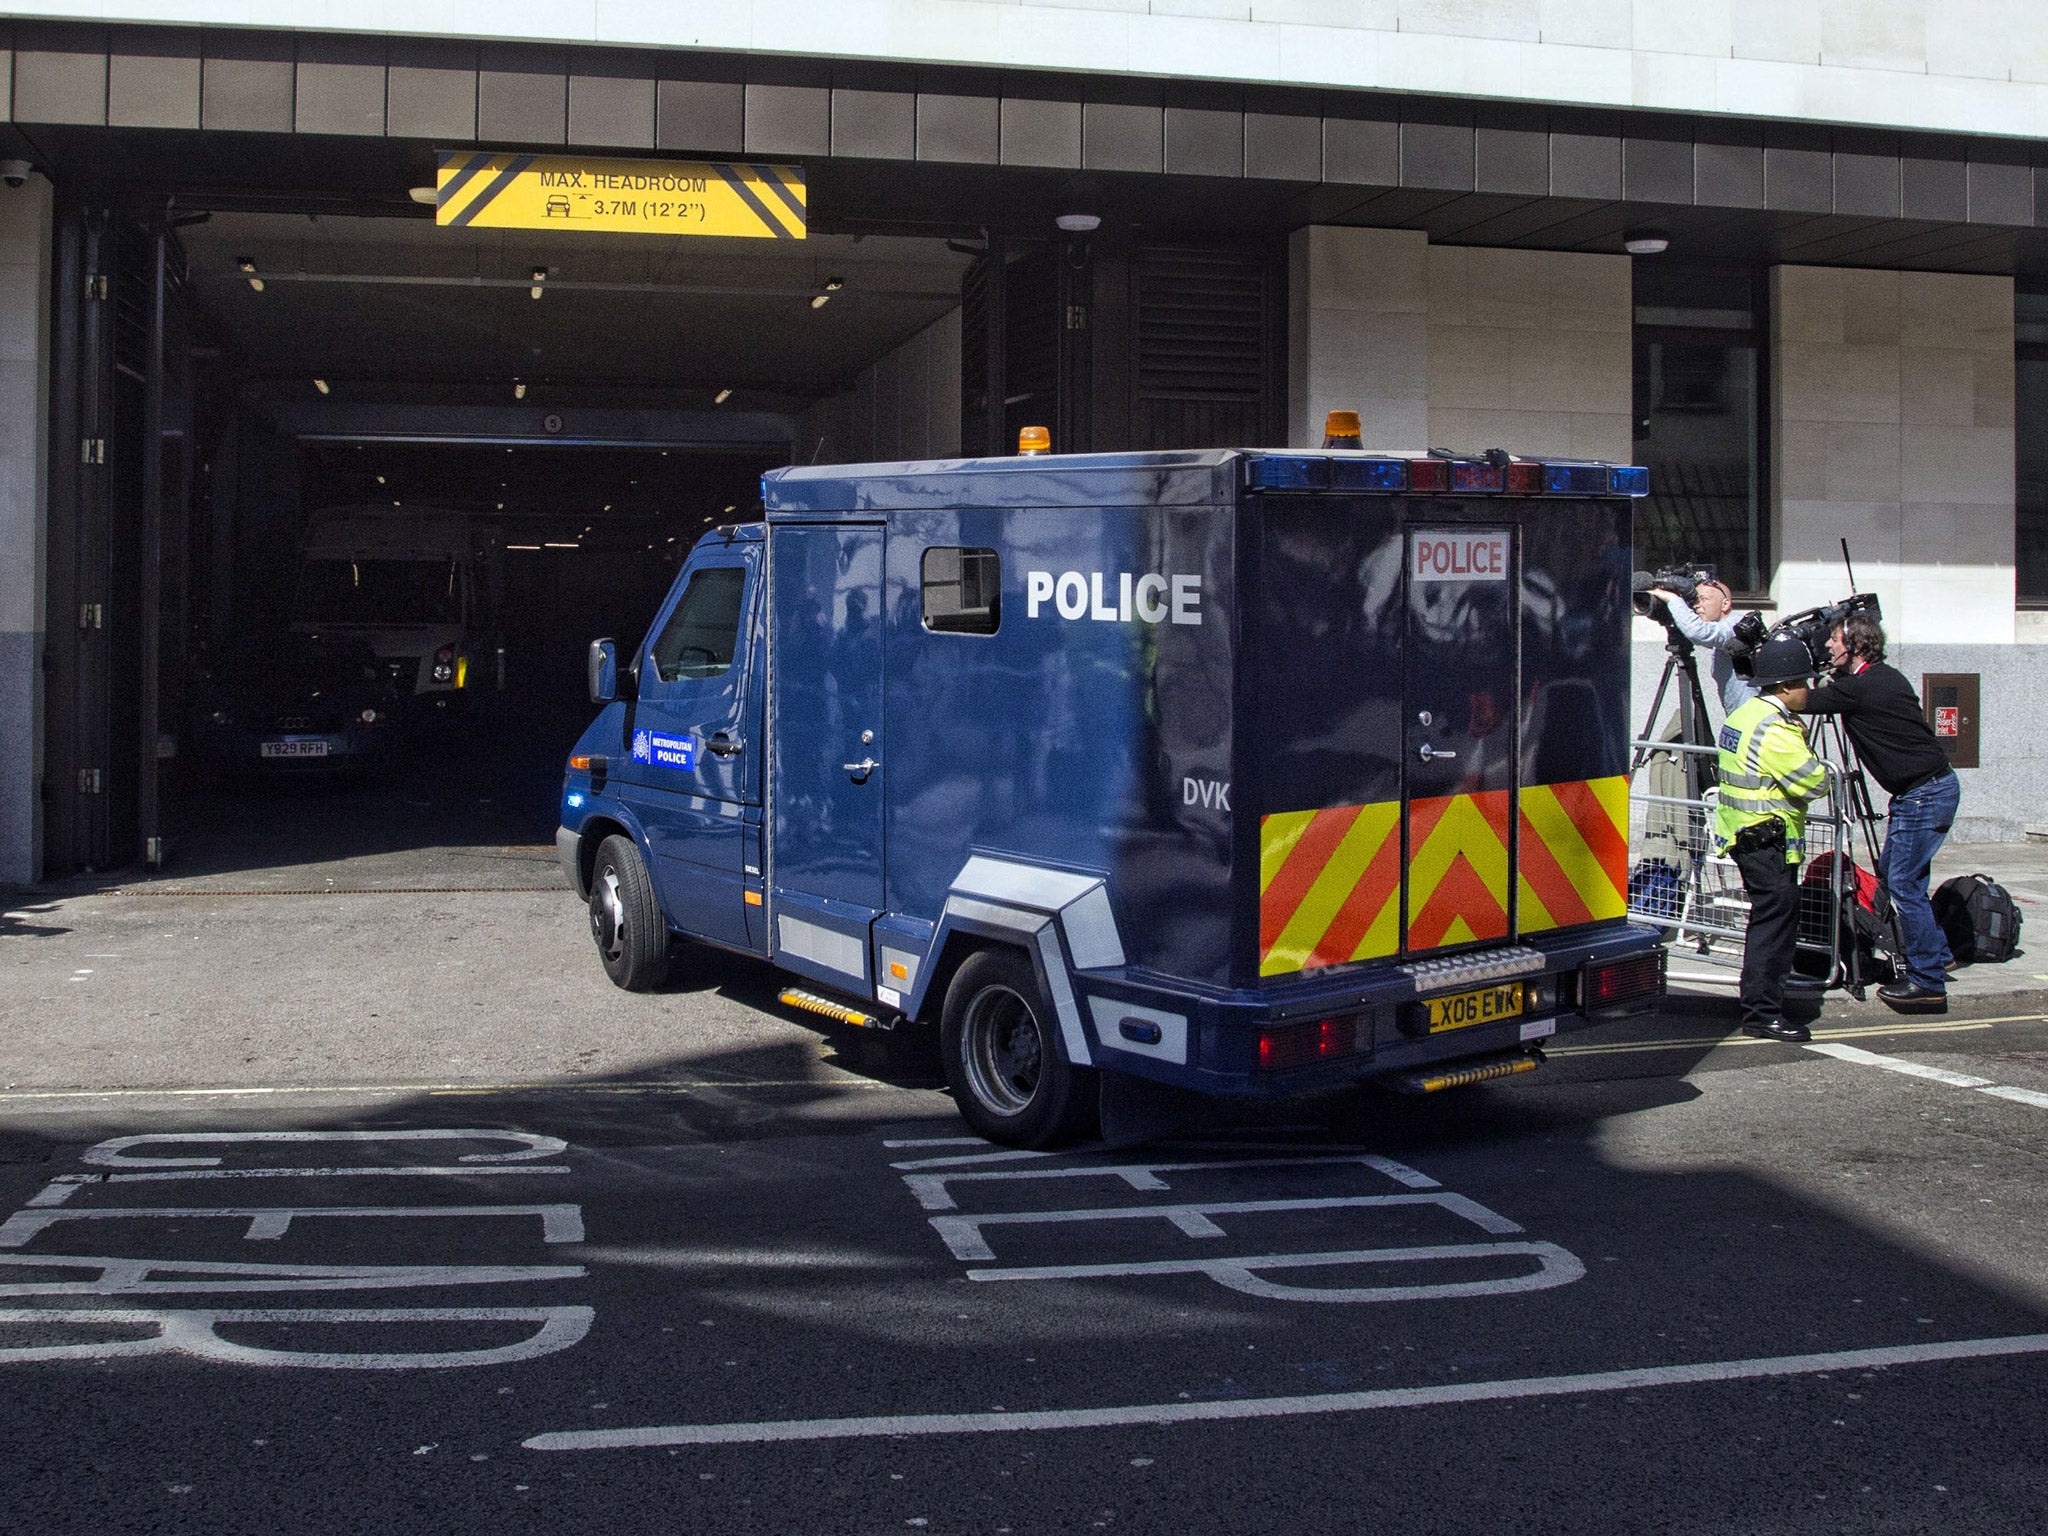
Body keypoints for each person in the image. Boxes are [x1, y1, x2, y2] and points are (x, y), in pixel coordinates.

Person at [1798, 611, 1960, 1014]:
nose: (1828, 646)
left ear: (1854, 645)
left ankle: (1928, 982)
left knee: (1904, 883)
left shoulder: (1862, 688)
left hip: (1923, 794)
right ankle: (1937, 954)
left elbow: (1804, 701)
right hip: (1926, 791)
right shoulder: (1884, 677)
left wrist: (1776, 672)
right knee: (1896, 873)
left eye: (1834, 640)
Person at [1714, 634, 1832, 1043]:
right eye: (1804, 682)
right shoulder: (1778, 729)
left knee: (1764, 922)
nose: (1809, 689)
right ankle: (1763, 1012)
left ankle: (1757, 1005)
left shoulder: (1744, 714)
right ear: (1785, 687)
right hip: (1769, 840)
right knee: (1774, 928)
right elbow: (1813, 782)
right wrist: (1814, 755)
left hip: (1744, 833)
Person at [1650, 577, 1757, 716]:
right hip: (1742, 717)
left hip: (1752, 719)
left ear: (1725, 604)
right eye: (1695, 601)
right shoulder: (1724, 626)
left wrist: (1673, 600)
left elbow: (1699, 632)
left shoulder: (1736, 627)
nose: (1696, 605)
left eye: (1704, 599)